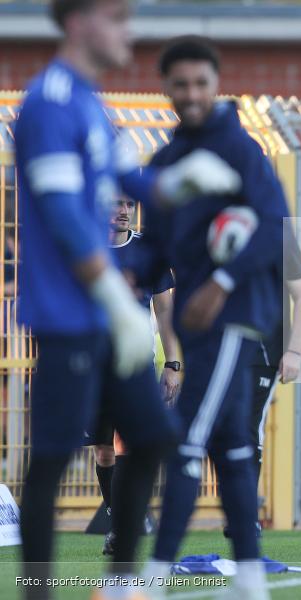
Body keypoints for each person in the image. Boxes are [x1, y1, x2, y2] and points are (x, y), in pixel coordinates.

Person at [13, 1, 240, 598]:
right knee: (53, 464)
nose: (128, 32)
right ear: (80, 21)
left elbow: (132, 182)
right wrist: (113, 294)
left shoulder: (93, 105)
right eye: (117, 18)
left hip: (109, 322)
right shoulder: (48, 103)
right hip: (71, 319)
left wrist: (178, 182)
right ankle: (38, 591)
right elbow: (62, 215)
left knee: (155, 439)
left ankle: (117, 585)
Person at [135, 37, 289, 600]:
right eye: (181, 84)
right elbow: (152, 247)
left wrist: (222, 282)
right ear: (168, 88)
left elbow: (273, 227)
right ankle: (250, 581)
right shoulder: (168, 160)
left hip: (234, 314)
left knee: (184, 439)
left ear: (216, 84)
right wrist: (117, 275)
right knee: (232, 447)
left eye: (201, 83)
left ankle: (150, 582)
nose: (192, 93)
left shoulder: (240, 149)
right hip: (196, 322)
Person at [86, 197, 180, 557]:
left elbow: (166, 311)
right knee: (103, 451)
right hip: (94, 363)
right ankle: (114, 515)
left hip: (136, 361)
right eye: (115, 204)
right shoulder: (88, 246)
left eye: (128, 203)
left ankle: (123, 525)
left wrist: (172, 363)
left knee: (129, 445)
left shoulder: (148, 251)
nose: (123, 210)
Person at [233, 228, 301, 538]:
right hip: (220, 347)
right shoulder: (212, 222)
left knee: (247, 427)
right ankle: (237, 508)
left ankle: (246, 516)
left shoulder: (278, 233)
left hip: (262, 351)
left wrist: (293, 351)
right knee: (220, 432)